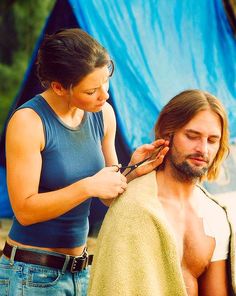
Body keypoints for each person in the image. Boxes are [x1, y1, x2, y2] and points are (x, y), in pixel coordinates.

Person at [0, 28, 169, 296]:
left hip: (81, 272)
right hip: (30, 274)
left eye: (106, 81)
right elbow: (25, 210)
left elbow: (109, 197)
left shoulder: (103, 115)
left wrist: (132, 172)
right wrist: (88, 186)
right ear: (58, 87)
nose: (105, 95)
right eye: (92, 91)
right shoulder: (29, 122)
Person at [88, 89, 236, 296]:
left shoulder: (215, 216)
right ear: (168, 134)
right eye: (192, 136)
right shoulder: (133, 207)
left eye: (212, 141)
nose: (203, 149)